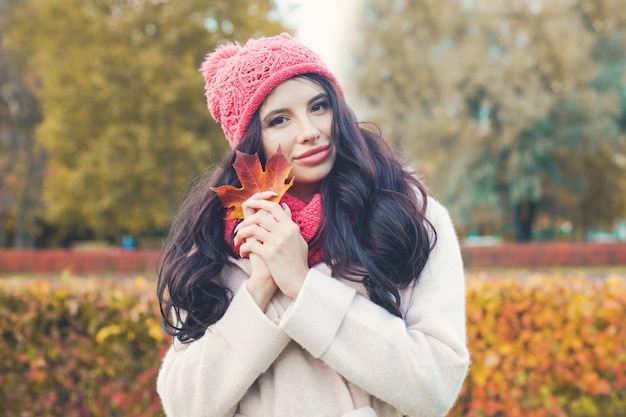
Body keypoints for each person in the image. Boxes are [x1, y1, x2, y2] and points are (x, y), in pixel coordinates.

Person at [156, 32, 469, 417]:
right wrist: (260, 289)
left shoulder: (408, 216)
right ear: (252, 141)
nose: (309, 130)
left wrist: (303, 288)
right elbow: (183, 406)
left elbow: (436, 386)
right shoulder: (213, 241)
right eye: (280, 119)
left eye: (319, 106)